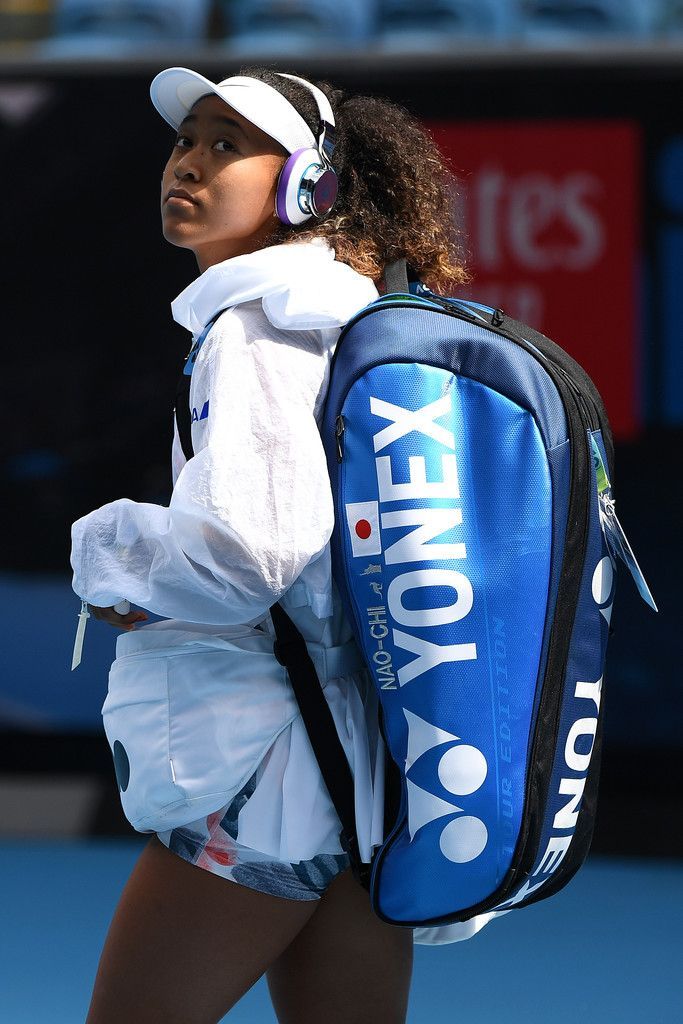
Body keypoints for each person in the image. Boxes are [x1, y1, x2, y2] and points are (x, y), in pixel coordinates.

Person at [71, 65, 468, 1024]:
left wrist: (113, 552)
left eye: (227, 144)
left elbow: (251, 557)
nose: (190, 164)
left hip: (269, 773)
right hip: (357, 776)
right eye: (187, 140)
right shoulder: (336, 312)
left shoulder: (256, 322)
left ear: (308, 183)